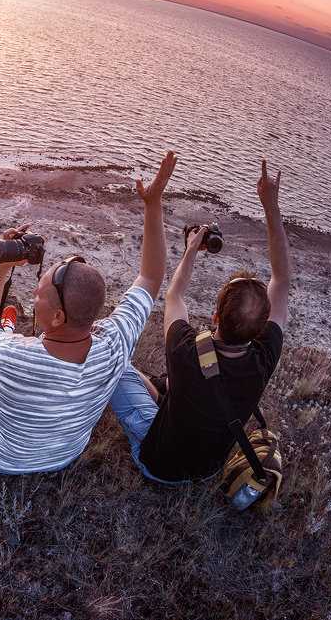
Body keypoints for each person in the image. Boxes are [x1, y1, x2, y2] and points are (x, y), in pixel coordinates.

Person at [0, 151, 177, 474]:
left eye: (39, 294)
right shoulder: (114, 345)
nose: (34, 295)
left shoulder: (12, 358)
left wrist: (2, 269)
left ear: (57, 318)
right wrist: (153, 204)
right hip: (64, 455)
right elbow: (151, 278)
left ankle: (6, 331)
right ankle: (7, 332)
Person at [108, 160, 291, 483]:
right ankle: (154, 387)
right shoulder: (264, 358)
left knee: (114, 360)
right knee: (167, 383)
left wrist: (191, 249)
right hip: (208, 470)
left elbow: (174, 296)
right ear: (262, 329)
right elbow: (282, 279)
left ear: (216, 316)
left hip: (159, 465)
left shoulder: (186, 350)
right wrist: (271, 208)